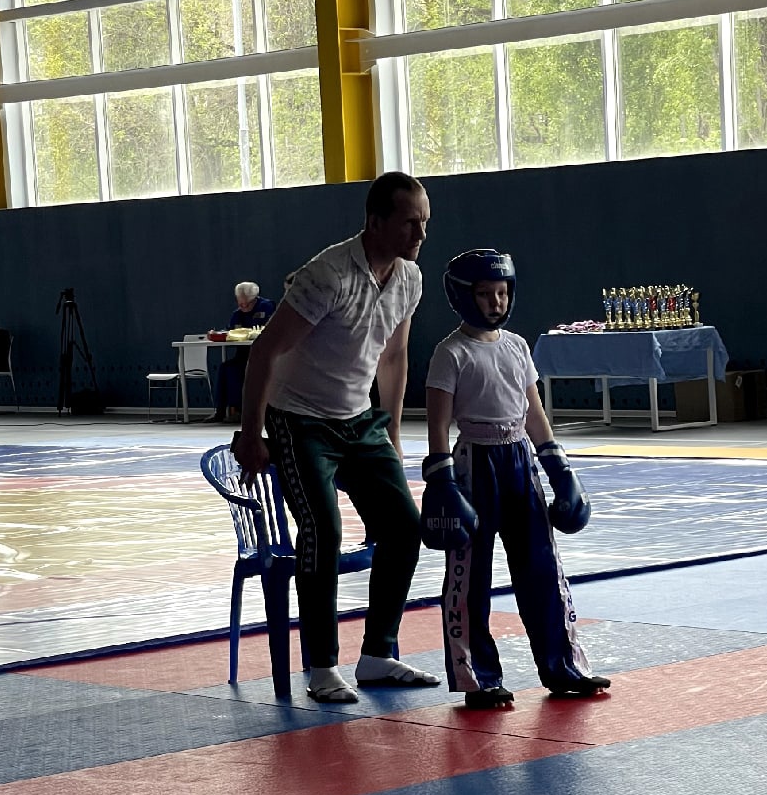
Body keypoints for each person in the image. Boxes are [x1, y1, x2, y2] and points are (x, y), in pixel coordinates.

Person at [234, 171, 440, 704]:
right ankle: (321, 665)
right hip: (299, 418)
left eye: (425, 223)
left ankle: (377, 655)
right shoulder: (328, 275)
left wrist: (392, 431)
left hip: (359, 419)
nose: (421, 234)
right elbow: (265, 351)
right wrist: (251, 432)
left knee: (404, 528)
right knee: (322, 531)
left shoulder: (410, 279)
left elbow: (393, 357)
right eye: (410, 223)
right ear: (375, 222)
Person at [419, 248, 611, 708]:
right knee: (470, 576)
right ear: (463, 296)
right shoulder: (451, 352)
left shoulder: (517, 346)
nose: (496, 302)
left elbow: (533, 412)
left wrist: (559, 467)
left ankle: (564, 666)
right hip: (473, 462)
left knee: (542, 567)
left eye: (502, 293)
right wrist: (442, 479)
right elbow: (437, 423)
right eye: (486, 293)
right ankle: (477, 677)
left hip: (520, 459)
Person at [213, 281, 276, 423]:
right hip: (243, 354)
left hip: (263, 356)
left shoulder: (267, 307)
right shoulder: (237, 314)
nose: (244, 307)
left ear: (255, 299)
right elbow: (230, 331)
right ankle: (220, 411)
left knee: (239, 370)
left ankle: (241, 411)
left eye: (247, 304)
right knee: (225, 368)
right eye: (240, 303)